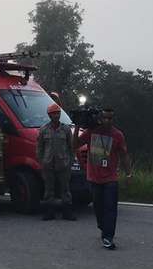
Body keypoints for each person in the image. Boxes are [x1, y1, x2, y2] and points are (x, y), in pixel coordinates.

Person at [73, 108, 131, 249]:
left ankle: (108, 237)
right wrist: (77, 127)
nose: (107, 121)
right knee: (98, 209)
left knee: (110, 209)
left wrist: (129, 173)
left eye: (110, 118)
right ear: (101, 118)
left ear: (113, 119)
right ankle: (103, 228)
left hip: (110, 178)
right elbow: (75, 145)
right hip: (94, 178)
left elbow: (124, 155)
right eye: (105, 117)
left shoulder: (118, 135)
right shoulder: (92, 132)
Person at [37, 103, 75, 221]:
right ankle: (49, 212)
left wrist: (70, 162)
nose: (56, 115)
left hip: (63, 164)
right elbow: (39, 148)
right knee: (49, 189)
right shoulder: (43, 129)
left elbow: (71, 147)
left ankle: (67, 212)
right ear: (49, 115)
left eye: (58, 113)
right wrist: (41, 161)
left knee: (65, 189)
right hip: (48, 164)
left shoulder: (66, 129)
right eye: (54, 113)